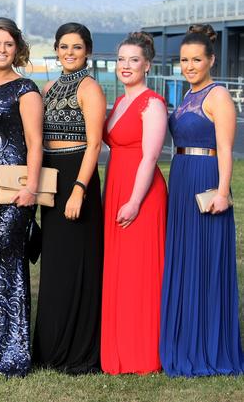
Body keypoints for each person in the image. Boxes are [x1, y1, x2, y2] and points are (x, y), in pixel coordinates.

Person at [160, 24, 244, 377]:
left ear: (211, 59)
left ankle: (207, 343)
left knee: (205, 262)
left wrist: (223, 192)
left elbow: (226, 149)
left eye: (197, 59)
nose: (190, 65)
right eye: (184, 60)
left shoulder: (219, 96)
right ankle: (183, 338)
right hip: (181, 179)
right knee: (185, 258)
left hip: (205, 182)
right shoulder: (186, 96)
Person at [33, 22, 105, 374]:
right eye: (64, 46)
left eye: (76, 47)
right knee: (55, 265)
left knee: (79, 262)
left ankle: (78, 349)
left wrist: (79, 189)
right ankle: (50, 346)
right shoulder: (48, 88)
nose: (69, 53)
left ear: (87, 51)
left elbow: (94, 144)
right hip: (53, 176)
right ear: (56, 49)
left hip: (79, 177)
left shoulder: (90, 88)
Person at [0, 17, 42, 377]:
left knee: (6, 261)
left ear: (17, 48)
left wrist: (31, 187)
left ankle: (12, 353)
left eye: (8, 44)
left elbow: (34, 143)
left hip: (16, 188)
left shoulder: (25, 88)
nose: (1, 50)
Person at [100, 32, 167, 375]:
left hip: (140, 193)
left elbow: (150, 156)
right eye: (121, 60)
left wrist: (135, 201)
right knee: (120, 270)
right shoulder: (120, 102)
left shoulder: (151, 102)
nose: (125, 66)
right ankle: (118, 345)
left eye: (133, 60)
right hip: (116, 186)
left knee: (140, 272)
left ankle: (141, 351)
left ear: (147, 65)